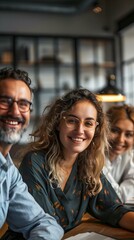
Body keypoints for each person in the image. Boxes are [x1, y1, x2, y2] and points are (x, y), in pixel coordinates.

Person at [19, 88, 134, 233]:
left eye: (88, 123)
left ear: (96, 129)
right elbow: (44, 226)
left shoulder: (87, 166)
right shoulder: (35, 162)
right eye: (72, 121)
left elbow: (115, 210)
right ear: (58, 123)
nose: (80, 130)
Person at [0, 67, 64, 240]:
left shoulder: (8, 172)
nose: (14, 112)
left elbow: (41, 222)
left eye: (23, 104)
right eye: (4, 101)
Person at [103, 104, 134, 203]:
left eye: (128, 134)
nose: (121, 140)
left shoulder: (130, 156)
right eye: (115, 130)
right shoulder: (91, 157)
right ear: (103, 129)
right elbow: (113, 198)